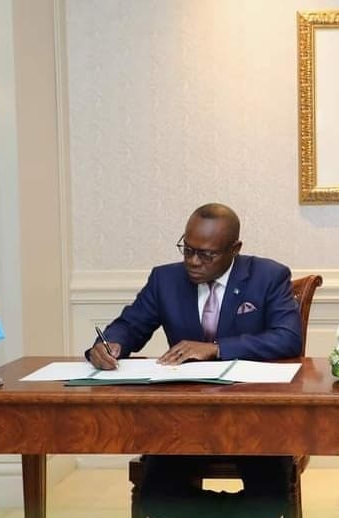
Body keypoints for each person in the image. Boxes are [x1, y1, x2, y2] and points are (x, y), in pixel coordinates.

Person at [86, 203, 303, 518]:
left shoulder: (268, 276)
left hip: (255, 416)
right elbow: (131, 325)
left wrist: (216, 348)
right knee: (156, 496)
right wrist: (109, 344)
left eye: (206, 255)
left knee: (268, 499)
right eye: (187, 250)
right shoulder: (165, 280)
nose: (192, 261)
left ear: (235, 249)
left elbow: (287, 337)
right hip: (182, 417)